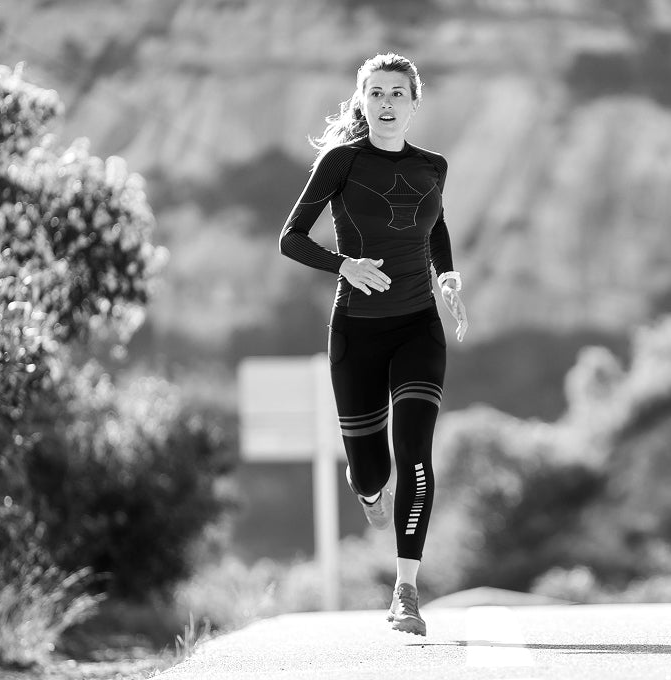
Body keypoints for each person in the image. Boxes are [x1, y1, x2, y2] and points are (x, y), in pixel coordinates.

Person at [278, 53, 468, 636]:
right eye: (376, 93)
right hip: (357, 331)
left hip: (417, 328)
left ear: (415, 102)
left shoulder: (432, 165)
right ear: (363, 101)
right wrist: (345, 265)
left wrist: (447, 276)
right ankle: (367, 489)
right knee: (371, 470)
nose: (386, 103)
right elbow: (291, 238)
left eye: (396, 93)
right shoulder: (343, 161)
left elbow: (433, 226)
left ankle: (406, 591)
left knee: (415, 454)